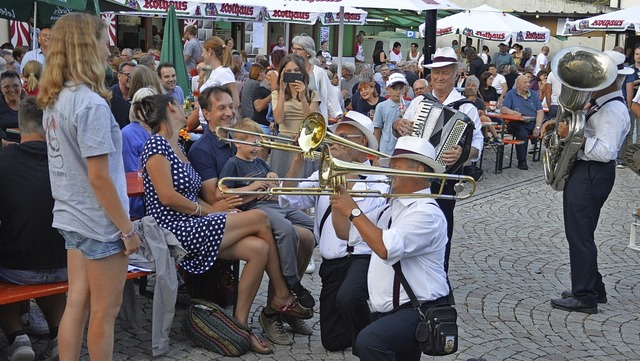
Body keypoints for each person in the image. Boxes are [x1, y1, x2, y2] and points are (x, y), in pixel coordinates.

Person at [137, 93, 312, 354]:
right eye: (184, 106)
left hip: (192, 222)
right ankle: (281, 296)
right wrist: (206, 212)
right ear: (171, 108)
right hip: (173, 227)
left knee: (259, 249)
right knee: (261, 218)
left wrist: (209, 211)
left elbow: (189, 193)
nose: (189, 112)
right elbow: (167, 196)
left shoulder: (177, 145)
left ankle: (239, 326)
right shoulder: (156, 145)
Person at [36, 13, 142, 360]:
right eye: (102, 39)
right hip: (100, 224)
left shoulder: (56, 98)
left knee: (77, 305)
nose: (108, 46)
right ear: (86, 45)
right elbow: (99, 177)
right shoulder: (91, 104)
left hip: (71, 215)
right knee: (103, 313)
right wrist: (126, 230)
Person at [330, 136, 450, 360]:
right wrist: (338, 200)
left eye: (396, 166)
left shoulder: (426, 213)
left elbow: (384, 248)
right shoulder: (391, 209)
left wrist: (353, 210)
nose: (389, 172)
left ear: (420, 171)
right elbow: (344, 232)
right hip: (391, 310)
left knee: (369, 342)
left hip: (420, 308)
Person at [280, 111, 388, 354]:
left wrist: (344, 178)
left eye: (341, 136)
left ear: (360, 142)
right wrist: (298, 159)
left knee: (349, 298)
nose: (331, 141)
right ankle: (380, 323)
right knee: (333, 340)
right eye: (333, 136)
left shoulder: (379, 180)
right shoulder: (323, 174)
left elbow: (352, 231)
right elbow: (286, 198)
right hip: (332, 263)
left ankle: (369, 343)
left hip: (363, 259)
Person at [550, 50, 631, 314]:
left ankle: (584, 296)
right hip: (587, 172)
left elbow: (606, 152)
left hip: (592, 173)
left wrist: (575, 137)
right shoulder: (602, 105)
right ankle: (594, 287)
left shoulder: (613, 110)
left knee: (579, 235)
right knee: (582, 232)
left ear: (610, 79)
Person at [395, 47, 483, 276]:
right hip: (413, 176)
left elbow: (478, 144)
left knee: (441, 229)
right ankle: (407, 275)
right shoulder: (420, 102)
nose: (440, 77)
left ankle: (436, 277)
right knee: (406, 223)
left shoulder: (466, 108)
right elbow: (402, 130)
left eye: (445, 72)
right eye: (436, 73)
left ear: (456, 74)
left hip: (444, 179)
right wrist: (398, 126)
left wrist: (464, 153)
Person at [218, 118, 315, 309]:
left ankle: (295, 264)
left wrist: (272, 177)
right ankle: (292, 280)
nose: (256, 147)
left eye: (258, 142)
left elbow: (274, 185)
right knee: (287, 230)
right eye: (252, 142)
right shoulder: (233, 164)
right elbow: (224, 192)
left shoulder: (260, 164)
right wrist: (253, 187)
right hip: (257, 209)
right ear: (237, 142)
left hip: (274, 203)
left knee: (312, 225)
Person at [0, 97, 67, 361]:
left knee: (15, 259)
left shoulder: (5, 161)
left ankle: (17, 337)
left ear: (19, 124)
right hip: (66, 263)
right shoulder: (67, 160)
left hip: (18, 267)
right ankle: (60, 335)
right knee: (45, 256)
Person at [269, 54, 320, 177]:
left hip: (304, 140)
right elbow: (278, 119)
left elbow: (312, 122)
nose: (293, 74)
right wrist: (281, 90)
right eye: (288, 71)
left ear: (302, 72)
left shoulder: (312, 94)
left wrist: (302, 98)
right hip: (284, 140)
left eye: (297, 70)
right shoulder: (276, 94)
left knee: (303, 181)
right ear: (282, 73)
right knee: (282, 180)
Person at [186, 36, 238, 132]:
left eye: (203, 51)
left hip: (216, 125)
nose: (202, 55)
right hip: (207, 123)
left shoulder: (224, 72)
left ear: (209, 51)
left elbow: (235, 102)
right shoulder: (215, 72)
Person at [121, 87, 158, 219]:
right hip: (140, 205)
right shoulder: (127, 134)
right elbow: (132, 174)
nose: (148, 109)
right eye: (144, 104)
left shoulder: (158, 130)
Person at [291, 35, 341, 122]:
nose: (294, 52)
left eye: (298, 49)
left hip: (314, 119)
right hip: (292, 118)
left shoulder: (319, 72)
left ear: (308, 53)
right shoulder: (289, 70)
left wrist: (338, 115)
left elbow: (330, 95)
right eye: (293, 48)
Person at [500, 74, 544, 170]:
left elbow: (540, 112)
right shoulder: (511, 94)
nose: (528, 84)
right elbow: (503, 108)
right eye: (525, 82)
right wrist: (513, 113)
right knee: (522, 133)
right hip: (517, 123)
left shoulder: (533, 95)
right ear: (518, 84)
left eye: (528, 82)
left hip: (532, 122)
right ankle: (522, 161)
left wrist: (537, 127)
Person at [373, 72, 410, 155]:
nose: (398, 92)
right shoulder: (381, 106)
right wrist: (375, 153)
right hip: (386, 150)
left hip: (404, 149)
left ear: (405, 89)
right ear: (388, 89)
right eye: (394, 88)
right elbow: (377, 130)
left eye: (401, 88)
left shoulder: (410, 105)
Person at [0, 71, 24, 142]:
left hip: (26, 145)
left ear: (21, 86)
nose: (12, 90)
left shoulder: (29, 104)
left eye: (15, 86)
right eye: (7, 87)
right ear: (1, 89)